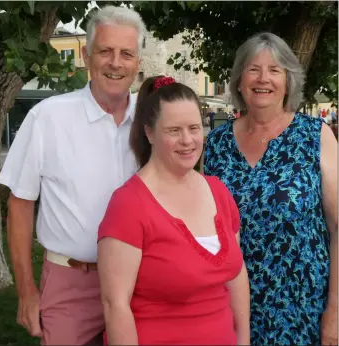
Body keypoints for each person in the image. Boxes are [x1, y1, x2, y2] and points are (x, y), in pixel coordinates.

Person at [0, 6, 146, 345]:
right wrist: (26, 291)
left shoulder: (152, 119)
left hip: (142, 282)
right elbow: (19, 204)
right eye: (105, 51)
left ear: (138, 62)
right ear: (85, 55)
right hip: (71, 282)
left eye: (126, 53)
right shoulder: (47, 117)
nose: (115, 62)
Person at [204, 32, 338, 345]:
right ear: (238, 80)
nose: (263, 78)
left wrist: (335, 309)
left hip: (302, 311)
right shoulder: (214, 145)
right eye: (253, 69)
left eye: (275, 70)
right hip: (232, 309)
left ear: (288, 81)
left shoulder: (315, 137)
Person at [97, 76, 250, 345]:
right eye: (174, 130)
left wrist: (244, 338)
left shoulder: (218, 192)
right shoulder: (129, 204)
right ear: (149, 133)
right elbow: (115, 306)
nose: (188, 140)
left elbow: (236, 277)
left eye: (194, 127)